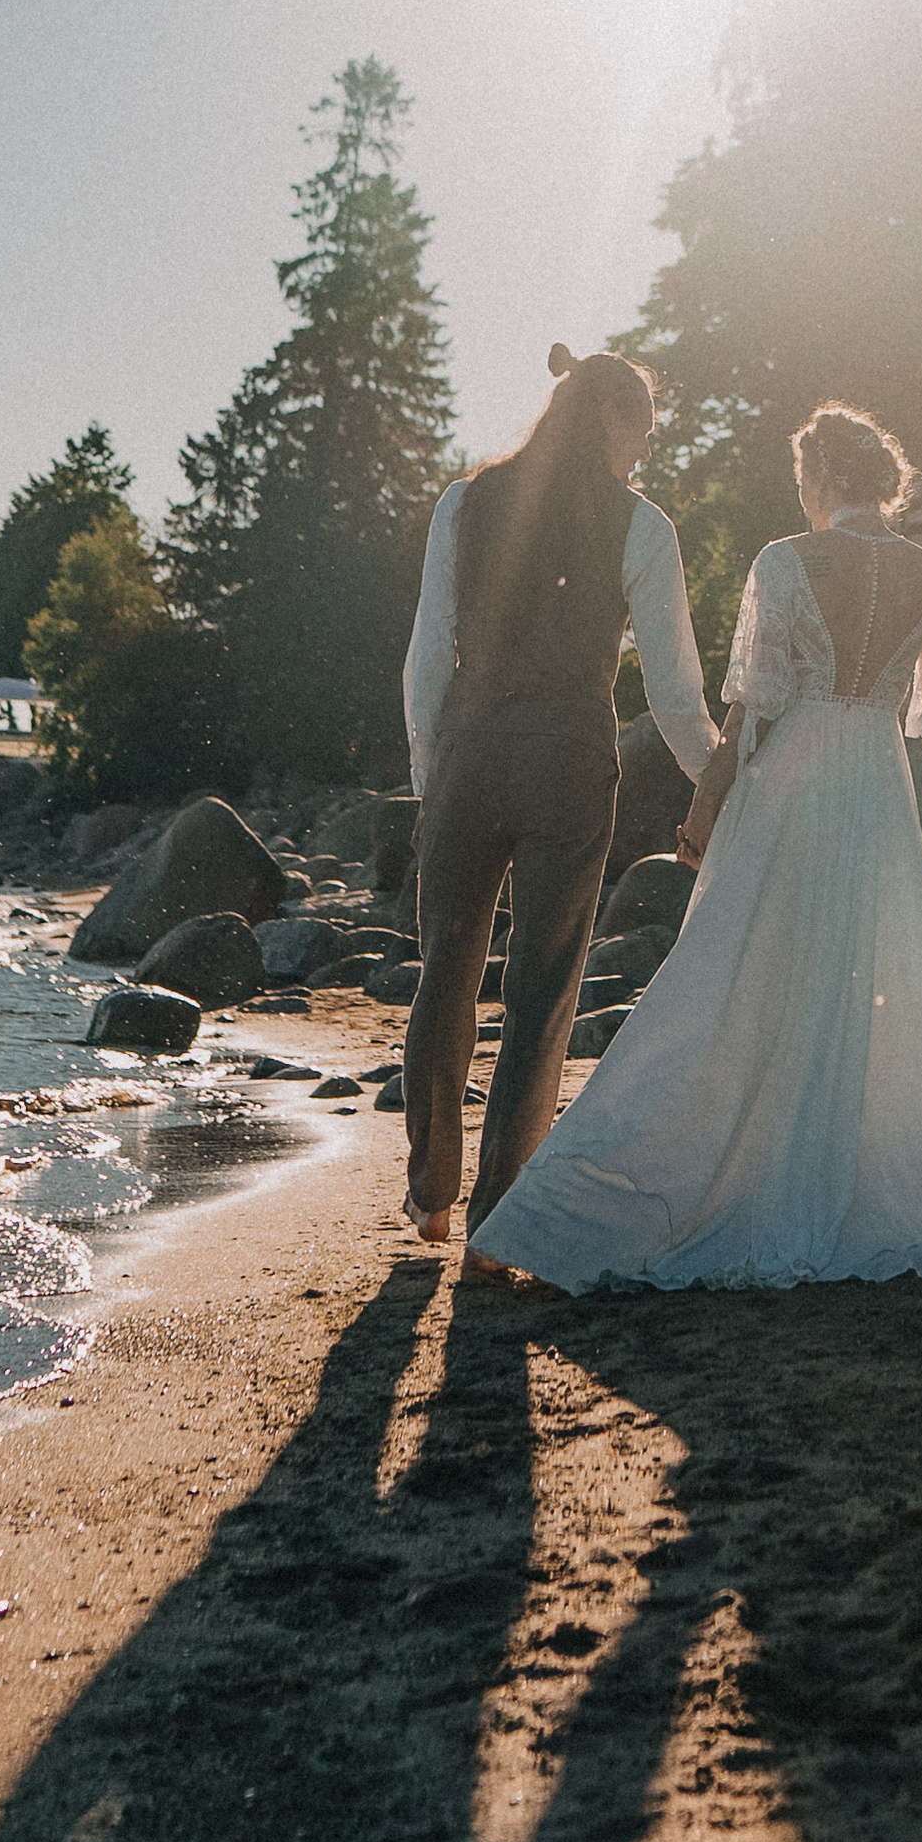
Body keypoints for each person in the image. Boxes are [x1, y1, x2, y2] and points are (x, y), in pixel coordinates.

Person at [469, 401, 922, 1293]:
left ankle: (591, 1202)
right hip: (879, 792)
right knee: (857, 984)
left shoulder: (784, 562)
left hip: (795, 788)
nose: (802, 495)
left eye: (804, 480)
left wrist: (704, 816)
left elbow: (748, 712)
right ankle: (834, 1180)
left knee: (724, 981)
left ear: (825, 479)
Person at [399, 344, 717, 1272]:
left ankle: (429, 1192)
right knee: (541, 992)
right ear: (611, 421)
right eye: (643, 435)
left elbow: (425, 661)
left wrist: (434, 779)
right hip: (573, 768)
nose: (644, 457)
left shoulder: (466, 502)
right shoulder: (642, 527)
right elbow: (672, 695)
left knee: (445, 971)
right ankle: (498, 1223)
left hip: (468, 757)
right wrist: (723, 780)